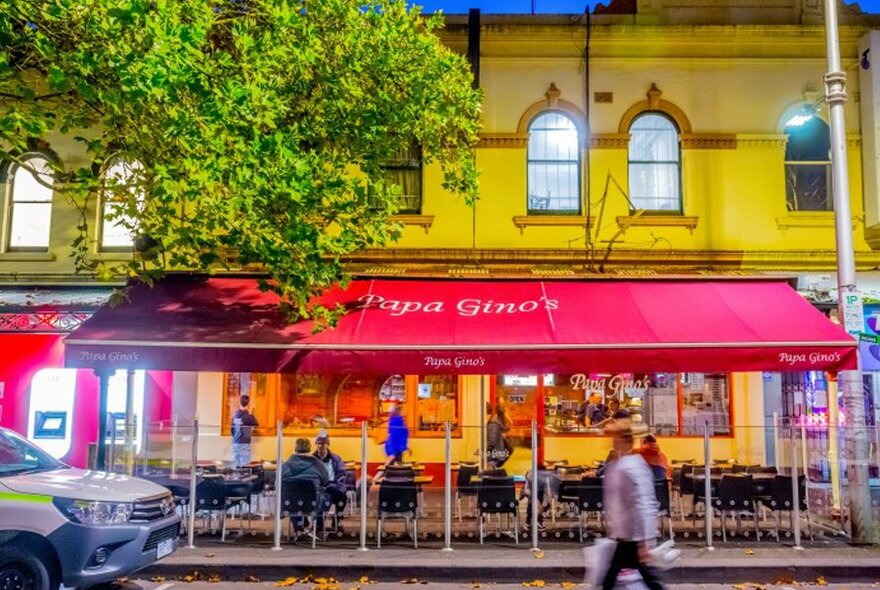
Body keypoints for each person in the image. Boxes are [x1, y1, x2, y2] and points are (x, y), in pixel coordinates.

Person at [600, 422, 666, 590]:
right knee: (617, 575)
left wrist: (643, 542)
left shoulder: (628, 467)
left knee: (644, 577)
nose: (613, 442)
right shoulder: (627, 464)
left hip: (632, 536)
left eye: (616, 438)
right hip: (627, 535)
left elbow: (640, 505)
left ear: (626, 441)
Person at [281, 438, 329, 533]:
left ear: (295, 448)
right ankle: (318, 529)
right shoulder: (318, 464)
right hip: (313, 503)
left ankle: (298, 528)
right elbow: (325, 481)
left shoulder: (285, 465)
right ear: (310, 448)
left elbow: (278, 482)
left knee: (294, 494)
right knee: (325, 497)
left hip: (289, 503)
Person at [313, 429, 349, 520]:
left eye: (323, 443)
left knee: (342, 497)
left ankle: (337, 520)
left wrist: (339, 486)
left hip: (332, 485)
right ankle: (315, 521)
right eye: (319, 443)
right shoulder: (311, 459)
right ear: (316, 444)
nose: (321, 446)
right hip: (316, 487)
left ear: (327, 444)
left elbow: (342, 473)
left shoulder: (335, 458)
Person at [231, 395, 258, 468]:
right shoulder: (248, 417)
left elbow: (232, 429)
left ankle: (235, 478)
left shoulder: (235, 415)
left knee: (236, 464)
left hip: (235, 442)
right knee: (245, 466)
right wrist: (252, 412)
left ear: (239, 403)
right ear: (248, 404)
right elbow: (256, 424)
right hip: (245, 442)